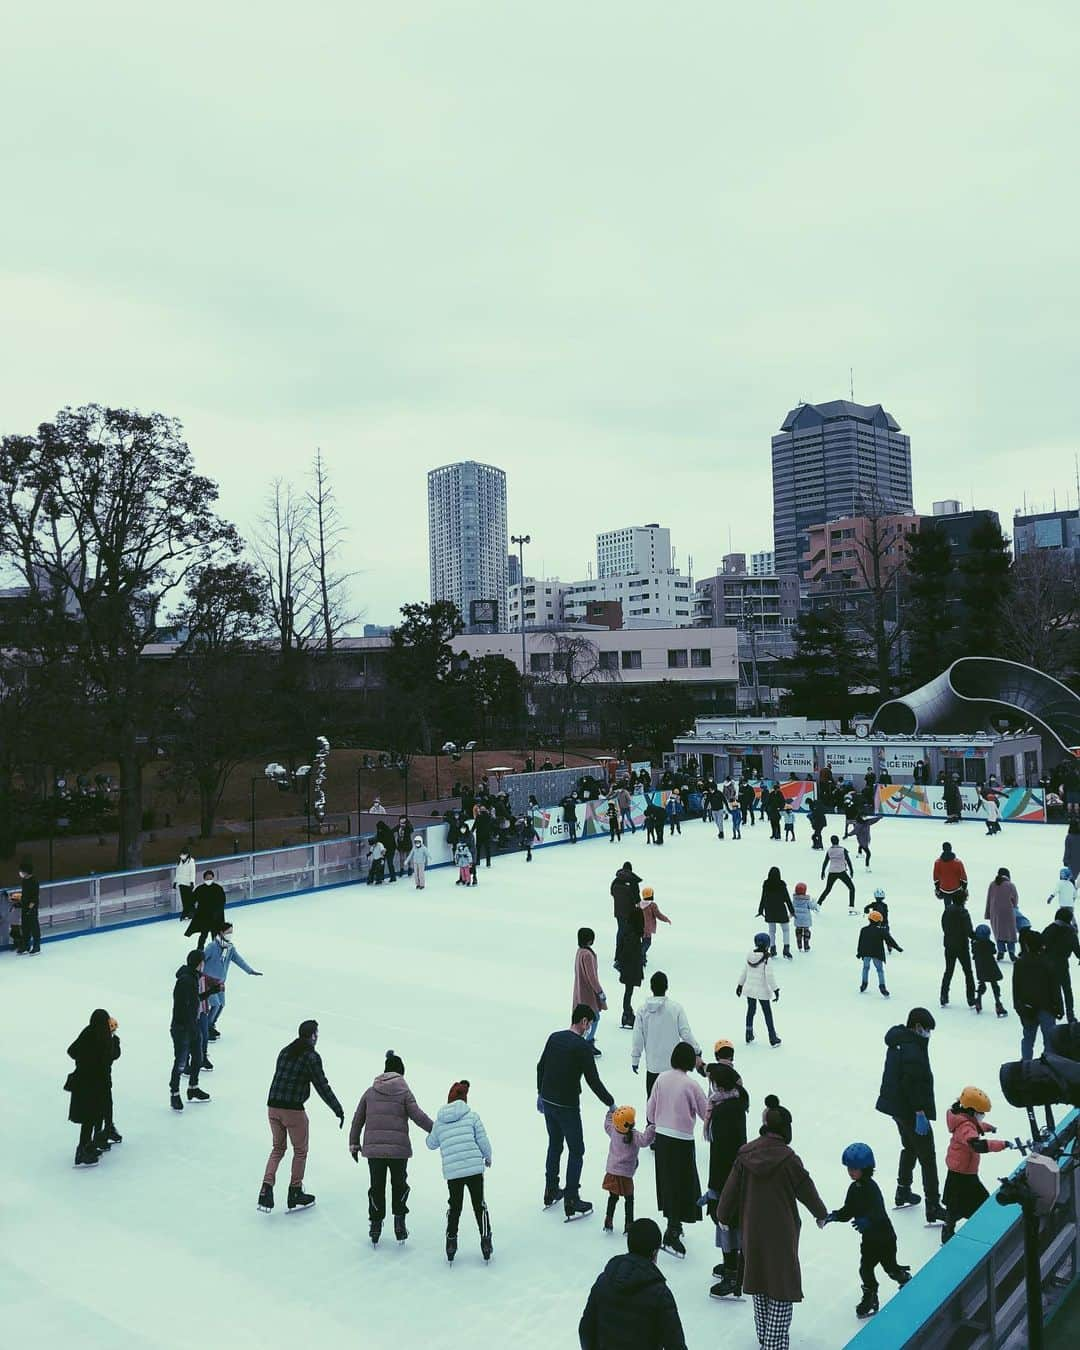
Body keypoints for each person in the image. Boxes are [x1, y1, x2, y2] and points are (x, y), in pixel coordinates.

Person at [716, 1097, 829, 1350]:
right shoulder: (789, 1159)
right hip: (782, 1234)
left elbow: (730, 1191)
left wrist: (723, 1217)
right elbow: (806, 1189)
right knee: (781, 1288)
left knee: (759, 1283)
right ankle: (773, 1345)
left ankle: (766, 1340)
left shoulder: (745, 1154)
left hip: (752, 1232)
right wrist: (821, 1213)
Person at [536, 1005, 615, 1220]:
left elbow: (540, 1066)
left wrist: (540, 1093)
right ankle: (571, 1198)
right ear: (584, 1021)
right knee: (576, 1149)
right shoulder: (581, 1047)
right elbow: (593, 1081)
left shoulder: (554, 1037)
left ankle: (551, 1188)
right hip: (567, 1106)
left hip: (549, 1101)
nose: (589, 1028)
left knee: (554, 1144)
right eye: (589, 1023)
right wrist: (611, 1103)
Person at [259, 1018, 344, 1213]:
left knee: (278, 1149)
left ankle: (266, 1188)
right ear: (312, 1036)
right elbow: (322, 1086)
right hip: (293, 1109)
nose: (317, 1037)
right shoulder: (310, 1057)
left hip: (272, 1107)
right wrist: (337, 1109)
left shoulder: (285, 1051)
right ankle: (295, 1191)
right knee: (300, 1151)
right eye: (317, 1034)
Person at [349, 1049, 434, 1244]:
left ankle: (376, 1225)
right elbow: (418, 1116)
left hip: (374, 1151)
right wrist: (436, 1130)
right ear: (401, 1072)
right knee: (399, 1185)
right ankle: (399, 1222)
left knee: (376, 1187)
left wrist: (354, 1144)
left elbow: (357, 1120)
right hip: (398, 1151)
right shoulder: (404, 1092)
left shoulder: (370, 1092)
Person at [874, 1007, 947, 1223]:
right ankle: (933, 1204)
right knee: (928, 1156)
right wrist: (919, 1113)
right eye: (926, 1030)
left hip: (896, 1108)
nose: (928, 1035)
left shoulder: (899, 1041)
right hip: (910, 1111)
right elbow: (913, 1084)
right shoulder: (913, 1050)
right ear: (917, 1027)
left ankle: (903, 1190)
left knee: (910, 1147)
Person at [822, 1142, 910, 1319]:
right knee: (865, 1269)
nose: (850, 1172)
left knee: (889, 1267)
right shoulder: (854, 1188)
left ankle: (903, 1278)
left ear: (866, 1168)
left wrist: (866, 1221)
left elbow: (877, 1211)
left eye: (854, 1168)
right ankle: (870, 1297)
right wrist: (834, 1216)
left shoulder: (871, 1188)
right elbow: (848, 1210)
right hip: (869, 1240)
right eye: (849, 1168)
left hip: (884, 1237)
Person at [578, 1217, 688, 1350]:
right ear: (654, 1252)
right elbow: (675, 1344)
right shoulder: (660, 1295)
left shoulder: (603, 1281)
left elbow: (585, 1330)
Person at [646, 1042, 709, 1257]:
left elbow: (650, 1110)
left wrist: (658, 1123)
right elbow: (706, 1112)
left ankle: (673, 1224)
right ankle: (672, 1231)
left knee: (668, 1181)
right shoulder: (691, 1085)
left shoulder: (661, 1079)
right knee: (683, 1183)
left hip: (662, 1137)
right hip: (681, 1139)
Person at [426, 1079, 493, 1262]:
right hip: (474, 1171)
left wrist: (435, 1132)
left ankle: (451, 1242)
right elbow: (483, 1140)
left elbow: (430, 1144)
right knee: (479, 1205)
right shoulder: (472, 1116)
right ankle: (486, 1241)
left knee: (455, 1207)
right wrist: (488, 1157)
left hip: (453, 1173)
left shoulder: (440, 1121)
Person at [940, 1086, 1012, 1244]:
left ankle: (949, 1227)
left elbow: (975, 1125)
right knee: (978, 1201)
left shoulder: (963, 1118)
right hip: (963, 1172)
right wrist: (1002, 1144)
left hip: (962, 1170)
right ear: (971, 1111)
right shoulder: (966, 1127)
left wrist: (988, 1127)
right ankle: (966, 1228)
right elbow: (976, 1144)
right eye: (981, 1113)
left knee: (956, 1202)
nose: (982, 1116)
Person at [703, 1061, 749, 1300]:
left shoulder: (722, 1111)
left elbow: (720, 1152)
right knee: (730, 1222)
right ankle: (734, 1267)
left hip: (726, 1177)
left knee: (725, 1221)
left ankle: (733, 1273)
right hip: (735, 1173)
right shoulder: (736, 1103)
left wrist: (713, 1188)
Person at [631, 971, 702, 1100]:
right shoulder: (675, 1008)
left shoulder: (642, 1011)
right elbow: (685, 1033)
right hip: (672, 1066)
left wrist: (635, 1058)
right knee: (672, 1102)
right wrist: (696, 1050)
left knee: (653, 1101)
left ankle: (651, 1121)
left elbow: (638, 1037)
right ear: (666, 987)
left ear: (651, 987)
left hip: (653, 1066)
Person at [66, 1009, 121, 1167]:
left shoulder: (88, 1032)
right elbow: (112, 1056)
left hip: (82, 1082)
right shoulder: (103, 1038)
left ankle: (88, 1146)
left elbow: (72, 1051)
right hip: (97, 1084)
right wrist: (114, 1039)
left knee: (89, 1118)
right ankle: (82, 1151)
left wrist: (83, 1061)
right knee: (91, 1118)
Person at [201, 922, 262, 1041]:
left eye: (231, 932)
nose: (230, 934)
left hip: (220, 982)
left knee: (222, 1004)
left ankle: (211, 1023)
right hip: (208, 981)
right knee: (215, 1004)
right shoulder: (212, 947)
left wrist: (250, 971)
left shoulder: (230, 948)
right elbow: (201, 959)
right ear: (221, 932)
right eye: (228, 932)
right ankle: (206, 1028)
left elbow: (238, 959)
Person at [601, 1105, 655, 1234]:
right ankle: (629, 1224)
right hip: (625, 1175)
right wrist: (652, 1128)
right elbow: (645, 1141)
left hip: (612, 1172)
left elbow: (607, 1124)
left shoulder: (613, 1131)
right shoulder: (634, 1136)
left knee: (613, 1198)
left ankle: (608, 1220)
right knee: (629, 1200)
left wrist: (610, 1111)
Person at [170, 951, 211, 1110]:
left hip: (192, 1026)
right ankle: (174, 1093)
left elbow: (194, 1000)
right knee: (180, 1063)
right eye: (203, 962)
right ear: (199, 963)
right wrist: (188, 1025)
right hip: (182, 1029)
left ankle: (193, 1088)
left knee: (198, 1058)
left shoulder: (193, 977)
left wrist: (211, 992)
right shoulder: (186, 980)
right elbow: (182, 1005)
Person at [1013, 929, 1062, 1059]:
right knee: (1050, 1040)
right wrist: (1059, 1007)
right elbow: (1055, 988)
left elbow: (1016, 987)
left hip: (1027, 1006)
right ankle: (1049, 1065)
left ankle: (1026, 1064)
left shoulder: (1020, 963)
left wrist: (1018, 1005)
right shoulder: (1048, 963)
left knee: (1028, 1038)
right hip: (1047, 1007)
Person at [737, 933, 781, 1047]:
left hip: (750, 989)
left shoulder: (750, 955)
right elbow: (769, 976)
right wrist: (775, 989)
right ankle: (772, 1037)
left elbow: (744, 972)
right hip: (762, 990)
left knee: (751, 1011)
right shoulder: (766, 958)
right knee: (767, 1013)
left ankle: (748, 1033)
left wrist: (740, 985)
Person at [1042, 908, 1080, 1023]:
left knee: (1052, 990)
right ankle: (1070, 1015)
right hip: (1063, 964)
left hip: (1048, 964)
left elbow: (1040, 944)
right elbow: (1077, 951)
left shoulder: (1049, 929)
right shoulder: (1070, 932)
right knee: (1067, 990)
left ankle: (1055, 1011)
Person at [573, 928, 607, 1052]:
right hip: (588, 993)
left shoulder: (580, 952)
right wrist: (600, 992)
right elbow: (591, 977)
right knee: (594, 1017)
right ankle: (587, 1042)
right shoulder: (587, 954)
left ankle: (584, 1040)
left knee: (585, 1017)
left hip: (581, 991)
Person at [941, 893, 976, 1008]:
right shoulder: (963, 913)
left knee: (949, 971)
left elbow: (943, 925)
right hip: (962, 946)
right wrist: (977, 937)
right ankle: (971, 998)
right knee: (968, 972)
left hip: (949, 945)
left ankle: (944, 996)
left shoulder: (947, 911)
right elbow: (969, 931)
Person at [858, 910, 902, 997]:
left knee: (865, 968)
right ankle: (882, 987)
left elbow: (860, 942)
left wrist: (859, 952)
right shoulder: (881, 931)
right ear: (878, 921)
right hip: (876, 954)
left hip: (866, 953)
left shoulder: (864, 930)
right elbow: (889, 940)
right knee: (880, 970)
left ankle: (864, 984)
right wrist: (897, 947)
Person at [758, 866, 795, 958]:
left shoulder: (766, 884)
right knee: (785, 930)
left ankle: (773, 949)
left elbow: (763, 897)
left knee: (772, 931)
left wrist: (760, 910)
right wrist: (792, 911)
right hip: (780, 910)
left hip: (769, 910)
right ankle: (786, 950)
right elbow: (787, 898)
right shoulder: (781, 884)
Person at [971, 924, 1008, 1017]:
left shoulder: (975, 944)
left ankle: (978, 1000)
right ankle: (998, 1004)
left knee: (981, 984)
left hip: (980, 967)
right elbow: (994, 951)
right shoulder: (989, 944)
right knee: (994, 985)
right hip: (990, 967)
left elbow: (973, 952)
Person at [616, 917, 645, 1031]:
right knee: (628, 992)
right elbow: (631, 954)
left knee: (628, 991)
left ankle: (627, 1013)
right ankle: (627, 1014)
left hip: (629, 969)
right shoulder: (634, 936)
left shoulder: (629, 933)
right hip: (631, 969)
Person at [185, 869, 226, 950]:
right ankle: (200, 949)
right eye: (207, 879)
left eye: (210, 878)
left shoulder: (218, 888)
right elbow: (192, 900)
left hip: (215, 917)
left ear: (213, 878)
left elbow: (222, 901)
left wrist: (218, 913)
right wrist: (192, 911)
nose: (209, 880)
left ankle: (217, 949)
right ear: (204, 879)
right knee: (203, 934)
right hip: (204, 917)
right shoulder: (200, 889)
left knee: (215, 935)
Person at [611, 862, 642, 966]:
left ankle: (618, 954)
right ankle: (626, 955)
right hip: (630, 912)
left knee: (620, 931)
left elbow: (612, 892)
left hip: (618, 911)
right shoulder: (633, 880)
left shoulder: (616, 880)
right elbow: (637, 898)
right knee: (629, 933)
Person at [985, 867, 1019, 960]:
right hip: (1008, 912)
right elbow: (1015, 901)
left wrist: (988, 913)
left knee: (999, 932)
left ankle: (1001, 951)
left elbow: (989, 899)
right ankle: (1011, 953)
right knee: (1010, 933)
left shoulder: (992, 884)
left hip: (995, 913)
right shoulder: (1011, 885)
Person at [818, 836, 856, 910]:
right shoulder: (843, 850)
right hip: (841, 871)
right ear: (838, 841)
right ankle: (851, 907)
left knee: (827, 889)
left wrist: (822, 872)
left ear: (831, 841)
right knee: (851, 888)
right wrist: (851, 870)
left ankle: (818, 904)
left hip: (832, 872)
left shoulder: (829, 850)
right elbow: (848, 860)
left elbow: (825, 862)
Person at [638, 886, 671, 967]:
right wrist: (666, 919)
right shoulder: (652, 905)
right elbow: (658, 915)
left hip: (639, 927)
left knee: (643, 942)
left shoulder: (639, 904)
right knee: (647, 943)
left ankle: (642, 957)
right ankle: (640, 957)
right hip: (647, 928)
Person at [16, 861, 40, 955]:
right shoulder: (24, 881)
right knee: (25, 927)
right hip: (25, 907)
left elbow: (34, 897)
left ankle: (36, 946)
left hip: (32, 908)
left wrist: (30, 908)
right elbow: (24, 895)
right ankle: (25, 946)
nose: (20, 873)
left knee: (34, 927)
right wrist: (20, 903)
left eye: (22, 871)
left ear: (26, 872)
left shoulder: (34, 881)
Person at [792, 882, 819, 953]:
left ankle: (799, 946)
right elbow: (813, 907)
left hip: (798, 920)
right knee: (806, 933)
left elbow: (791, 908)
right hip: (806, 921)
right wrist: (814, 901)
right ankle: (806, 946)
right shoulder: (807, 901)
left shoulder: (794, 900)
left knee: (798, 933)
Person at [174, 848, 196, 921]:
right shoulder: (179, 862)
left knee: (190, 899)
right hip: (181, 883)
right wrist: (175, 882)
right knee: (184, 899)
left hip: (188, 883)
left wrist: (192, 882)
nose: (182, 856)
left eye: (183, 854)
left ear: (187, 854)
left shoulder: (191, 862)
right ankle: (185, 912)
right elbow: (177, 873)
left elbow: (192, 872)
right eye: (181, 854)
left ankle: (192, 912)